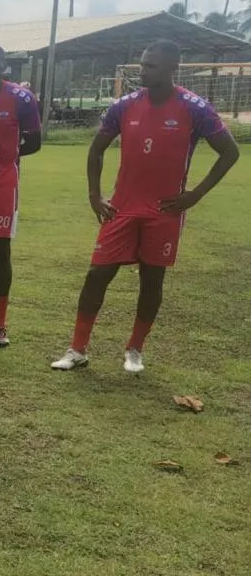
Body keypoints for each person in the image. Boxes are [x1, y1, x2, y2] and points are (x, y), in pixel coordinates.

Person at [52, 40, 238, 373]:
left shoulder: (195, 108)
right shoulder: (124, 106)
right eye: (142, 64)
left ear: (172, 68)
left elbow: (230, 152)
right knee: (97, 275)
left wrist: (195, 194)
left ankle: (135, 350)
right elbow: (96, 150)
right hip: (121, 208)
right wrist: (95, 195)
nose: (143, 71)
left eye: (151, 66)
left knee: (152, 281)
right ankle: (77, 349)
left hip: (164, 210)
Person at [0, 45, 42, 347]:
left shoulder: (21, 98)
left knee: (0, 253)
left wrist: (6, 157)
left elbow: (34, 142)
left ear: (3, 67)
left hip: (2, 182)